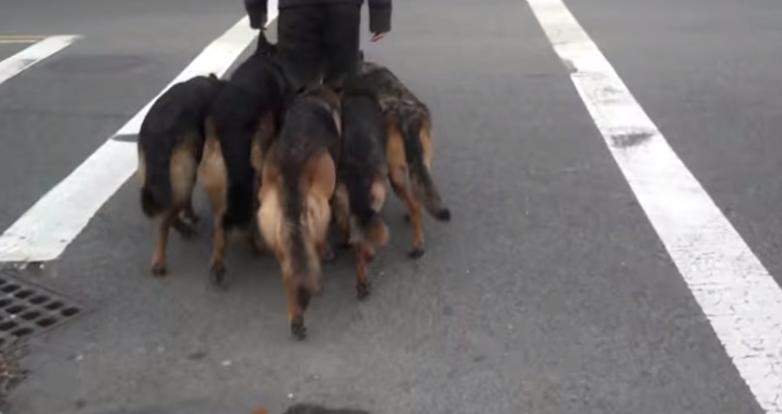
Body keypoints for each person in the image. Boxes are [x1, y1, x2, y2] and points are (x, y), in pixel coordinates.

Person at [243, 0, 392, 89]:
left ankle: (301, 128)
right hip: (343, 9)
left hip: (297, 9)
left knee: (296, 83)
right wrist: (380, 13)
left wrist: (256, 9)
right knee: (342, 84)